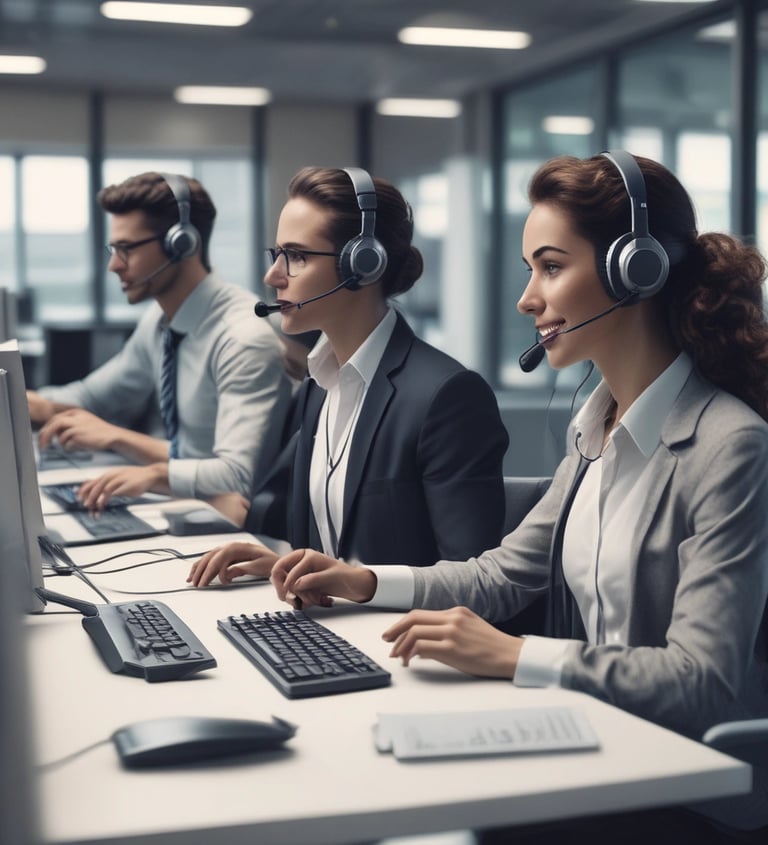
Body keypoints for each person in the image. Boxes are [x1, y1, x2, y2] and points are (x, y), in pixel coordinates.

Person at [269, 152, 768, 842]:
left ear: (637, 268)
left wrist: (514, 654)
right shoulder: (595, 426)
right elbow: (501, 574)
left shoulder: (729, 445)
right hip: (594, 746)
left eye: (551, 267)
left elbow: (699, 679)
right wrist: (363, 580)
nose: (527, 298)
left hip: (681, 786)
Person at [187, 166, 508, 587]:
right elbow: (328, 550)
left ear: (363, 264)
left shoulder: (446, 397)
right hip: (329, 633)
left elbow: (475, 581)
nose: (273, 276)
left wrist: (362, 585)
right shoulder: (316, 388)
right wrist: (277, 561)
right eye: (277, 254)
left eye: (297, 256)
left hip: (400, 644)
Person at [27, 171, 293, 505]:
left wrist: (116, 438)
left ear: (181, 244)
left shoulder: (241, 339)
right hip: (186, 503)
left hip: (237, 526)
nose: (113, 265)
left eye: (126, 249)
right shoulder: (160, 321)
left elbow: (238, 476)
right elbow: (92, 398)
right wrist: (31, 404)